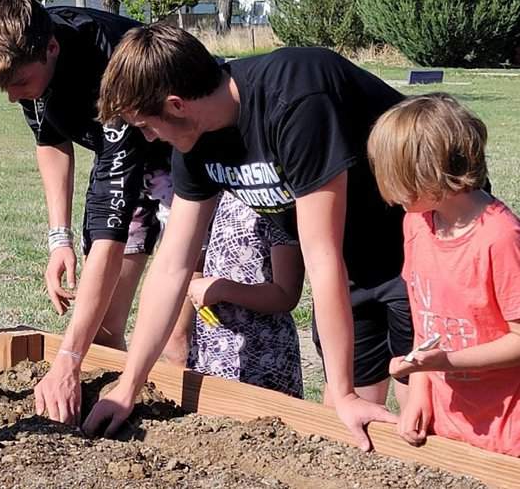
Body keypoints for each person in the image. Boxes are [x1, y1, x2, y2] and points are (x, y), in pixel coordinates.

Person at [82, 23, 409, 451]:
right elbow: (172, 265)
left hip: (420, 248)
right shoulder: (196, 143)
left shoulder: (294, 100)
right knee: (354, 438)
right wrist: (128, 386)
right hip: (354, 267)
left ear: (176, 105)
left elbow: (320, 253)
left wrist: (343, 392)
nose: (148, 138)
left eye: (146, 125)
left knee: (426, 414)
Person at [0, 0, 183, 425]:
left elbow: (110, 230)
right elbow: (50, 140)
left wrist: (66, 359)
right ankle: (110, 409)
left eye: (18, 84)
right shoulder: (29, 46)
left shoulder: (109, 65)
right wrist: (58, 238)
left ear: (52, 50)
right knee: (100, 327)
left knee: (176, 326)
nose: (12, 98)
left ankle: (181, 414)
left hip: (181, 160)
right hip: (117, 154)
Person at [367, 94, 520, 456]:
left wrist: (446, 362)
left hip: (506, 430)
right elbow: (425, 319)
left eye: (395, 177)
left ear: (432, 172)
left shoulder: (500, 237)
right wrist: (419, 388)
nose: (387, 193)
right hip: (446, 421)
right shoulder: (417, 222)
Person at [187, 193, 304, 398]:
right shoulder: (219, 195)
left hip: (263, 354)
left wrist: (222, 289)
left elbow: (286, 294)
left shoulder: (278, 207)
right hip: (213, 344)